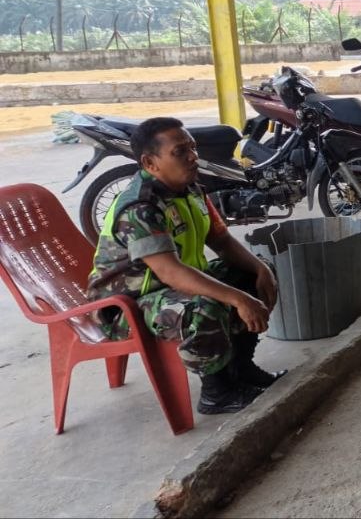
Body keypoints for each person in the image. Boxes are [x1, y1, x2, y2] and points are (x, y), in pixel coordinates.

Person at [87, 117, 286, 415]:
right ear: (150, 162)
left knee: (251, 275)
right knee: (205, 306)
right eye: (180, 152)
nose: (193, 156)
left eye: (192, 148)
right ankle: (217, 392)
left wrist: (261, 270)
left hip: (171, 286)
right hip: (128, 305)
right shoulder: (140, 207)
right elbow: (171, 272)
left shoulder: (191, 190)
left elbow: (221, 241)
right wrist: (238, 299)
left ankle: (241, 368)